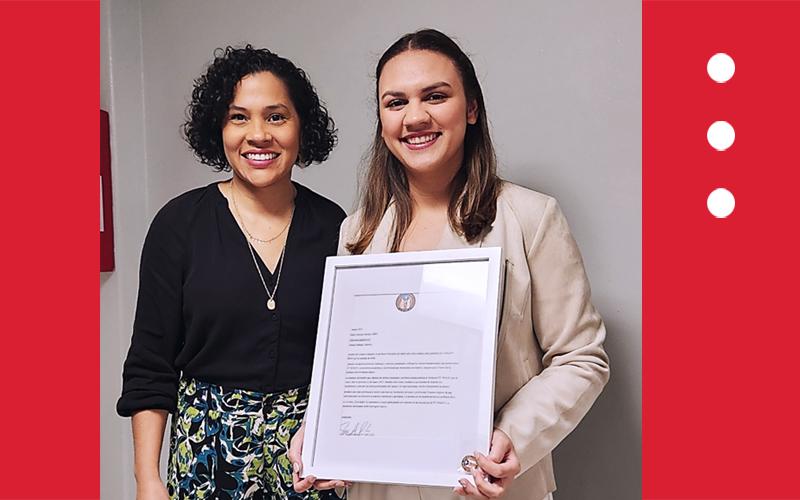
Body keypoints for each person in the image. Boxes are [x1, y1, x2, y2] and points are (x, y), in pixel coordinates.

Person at [289, 29, 610, 500]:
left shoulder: (530, 217)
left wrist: (513, 439)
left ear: (472, 108)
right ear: (381, 121)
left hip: (486, 486)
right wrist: (318, 436)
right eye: (395, 103)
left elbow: (581, 358)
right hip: (381, 489)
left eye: (435, 96)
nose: (415, 117)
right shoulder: (357, 232)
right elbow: (352, 368)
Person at [116, 45, 347, 500]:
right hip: (206, 456)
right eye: (238, 117)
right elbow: (150, 364)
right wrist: (148, 480)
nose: (258, 135)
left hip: (309, 459)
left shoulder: (337, 226)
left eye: (276, 116)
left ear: (302, 127)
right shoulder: (178, 225)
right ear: (218, 129)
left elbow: (352, 360)